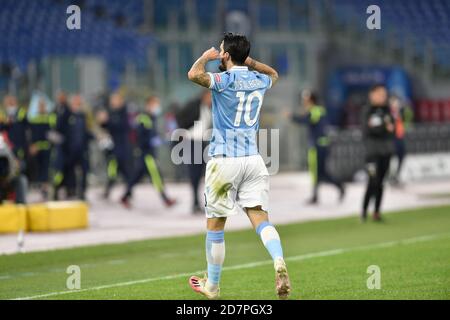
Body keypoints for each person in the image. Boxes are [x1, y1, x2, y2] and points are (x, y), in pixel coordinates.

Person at [186, 33, 290, 300]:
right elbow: (275, 73)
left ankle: (212, 286)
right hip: (254, 161)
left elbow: (193, 74)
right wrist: (250, 62)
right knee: (260, 218)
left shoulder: (223, 80)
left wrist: (205, 58)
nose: (219, 53)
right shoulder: (258, 79)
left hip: (225, 161)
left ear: (226, 55)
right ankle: (278, 260)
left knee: (215, 225)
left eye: (221, 50)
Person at [288, 90, 345, 204]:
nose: (304, 102)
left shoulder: (314, 111)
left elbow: (306, 120)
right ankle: (319, 194)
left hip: (317, 146)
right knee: (321, 172)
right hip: (323, 145)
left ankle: (336, 187)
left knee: (317, 172)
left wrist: (292, 116)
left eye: (305, 100)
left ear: (310, 100)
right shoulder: (320, 110)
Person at [121, 96, 176, 208]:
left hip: (148, 152)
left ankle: (125, 196)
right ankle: (165, 199)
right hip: (146, 153)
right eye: (155, 104)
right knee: (156, 175)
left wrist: (158, 139)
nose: (157, 107)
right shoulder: (143, 118)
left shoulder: (152, 117)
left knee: (136, 176)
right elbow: (139, 136)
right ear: (149, 105)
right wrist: (150, 142)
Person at [361, 84, 395, 222]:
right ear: (372, 94)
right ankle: (363, 211)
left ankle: (376, 212)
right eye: (380, 94)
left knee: (381, 182)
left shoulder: (387, 110)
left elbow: (392, 128)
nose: (383, 97)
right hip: (371, 153)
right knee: (372, 181)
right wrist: (384, 127)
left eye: (384, 94)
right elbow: (369, 130)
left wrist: (381, 127)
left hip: (386, 151)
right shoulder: (367, 110)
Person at [175, 90, 212, 214]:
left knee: (202, 172)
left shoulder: (208, 108)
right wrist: (184, 131)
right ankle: (195, 202)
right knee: (194, 173)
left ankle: (198, 202)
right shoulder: (194, 105)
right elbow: (180, 116)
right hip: (192, 142)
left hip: (202, 142)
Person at [52, 94, 92, 200]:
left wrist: (93, 137)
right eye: (75, 102)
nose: (77, 104)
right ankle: (60, 190)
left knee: (84, 171)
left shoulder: (83, 115)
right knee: (65, 172)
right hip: (68, 151)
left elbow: (85, 132)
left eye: (79, 102)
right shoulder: (65, 115)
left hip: (81, 150)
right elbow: (59, 130)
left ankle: (82, 193)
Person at [97, 93, 131, 199]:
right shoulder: (111, 112)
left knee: (125, 171)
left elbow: (121, 126)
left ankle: (128, 190)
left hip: (122, 146)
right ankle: (111, 190)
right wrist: (102, 122)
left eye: (115, 100)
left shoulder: (124, 112)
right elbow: (106, 126)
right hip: (113, 147)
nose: (113, 102)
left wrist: (108, 121)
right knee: (113, 170)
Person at [29, 99, 56, 200]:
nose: (41, 108)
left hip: (47, 147)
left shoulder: (49, 117)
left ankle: (45, 188)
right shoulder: (34, 118)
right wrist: (32, 145)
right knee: (39, 168)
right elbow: (32, 134)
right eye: (40, 106)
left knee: (46, 168)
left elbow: (53, 130)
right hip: (37, 147)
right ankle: (41, 187)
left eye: (43, 106)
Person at [0, 95, 29, 174]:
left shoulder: (21, 111)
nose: (10, 103)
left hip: (20, 143)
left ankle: (20, 178)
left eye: (12, 101)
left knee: (21, 163)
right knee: (8, 163)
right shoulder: (3, 113)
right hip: (8, 144)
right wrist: (6, 122)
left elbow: (27, 126)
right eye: (8, 101)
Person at [389, 95, 413, 186]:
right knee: (392, 158)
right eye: (394, 102)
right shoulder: (389, 113)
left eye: (397, 102)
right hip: (392, 138)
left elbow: (409, 117)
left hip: (400, 137)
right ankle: (391, 176)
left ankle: (396, 175)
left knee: (401, 156)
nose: (396, 104)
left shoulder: (401, 112)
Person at [0, 132, 27, 204]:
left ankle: (20, 209)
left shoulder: (10, 150)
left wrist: (18, 165)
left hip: (8, 179)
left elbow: (22, 165)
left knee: (22, 180)